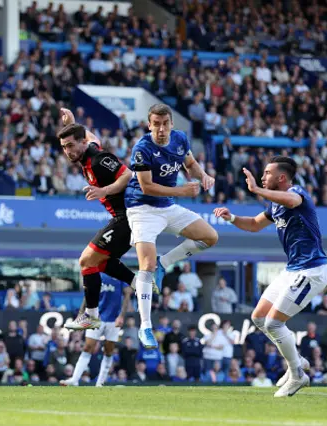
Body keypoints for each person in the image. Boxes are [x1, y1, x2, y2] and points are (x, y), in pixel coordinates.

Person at [214, 156, 327, 397]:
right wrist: (232, 218)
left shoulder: (296, 193)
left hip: (312, 270)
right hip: (292, 270)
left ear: (282, 178)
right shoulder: (275, 205)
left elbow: (292, 199)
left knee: (274, 323)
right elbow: (255, 224)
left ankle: (298, 375)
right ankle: (298, 361)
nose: (263, 176)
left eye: (267, 173)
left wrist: (256, 190)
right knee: (259, 318)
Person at [125, 104, 218, 348]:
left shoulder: (180, 139)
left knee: (210, 237)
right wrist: (182, 191)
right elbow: (146, 187)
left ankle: (164, 265)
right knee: (146, 265)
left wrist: (203, 175)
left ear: (172, 124)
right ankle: (145, 327)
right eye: (156, 124)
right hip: (142, 208)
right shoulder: (142, 149)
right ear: (149, 124)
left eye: (165, 123)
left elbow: (190, 164)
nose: (161, 128)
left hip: (167, 206)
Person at [57, 109, 137, 331]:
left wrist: (105, 191)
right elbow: (92, 137)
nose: (67, 151)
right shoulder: (86, 151)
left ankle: (91, 315)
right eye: (64, 147)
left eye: (71, 145)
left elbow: (127, 175)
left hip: (128, 217)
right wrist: (72, 123)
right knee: (100, 262)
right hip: (125, 218)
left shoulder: (99, 160)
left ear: (82, 143)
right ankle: (140, 284)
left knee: (86, 261)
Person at [60, 273, 132, 387]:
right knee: (88, 347)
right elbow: (88, 293)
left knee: (109, 350)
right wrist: (81, 313)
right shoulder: (98, 275)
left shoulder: (120, 273)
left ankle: (100, 382)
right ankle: (75, 379)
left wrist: (122, 316)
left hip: (113, 319)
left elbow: (127, 294)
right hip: (95, 316)